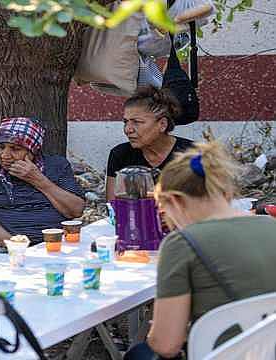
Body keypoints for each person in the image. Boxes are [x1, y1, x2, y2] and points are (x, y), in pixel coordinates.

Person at [124, 142, 276, 360]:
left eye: (165, 212)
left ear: (174, 200)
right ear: (224, 192)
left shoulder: (182, 243)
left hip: (221, 353)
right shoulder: (271, 225)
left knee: (138, 355)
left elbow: (166, 345)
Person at [0, 117, 85, 255]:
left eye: (15, 149)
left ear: (32, 151)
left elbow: (76, 210)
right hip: (0, 244)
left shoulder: (57, 166)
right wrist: (15, 246)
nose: (5, 155)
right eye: (1, 147)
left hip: (51, 242)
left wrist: (38, 180)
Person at [106, 87, 194, 201]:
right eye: (125, 122)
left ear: (162, 124)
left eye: (137, 122)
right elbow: (113, 206)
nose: (128, 129)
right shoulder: (120, 155)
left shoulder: (191, 155)